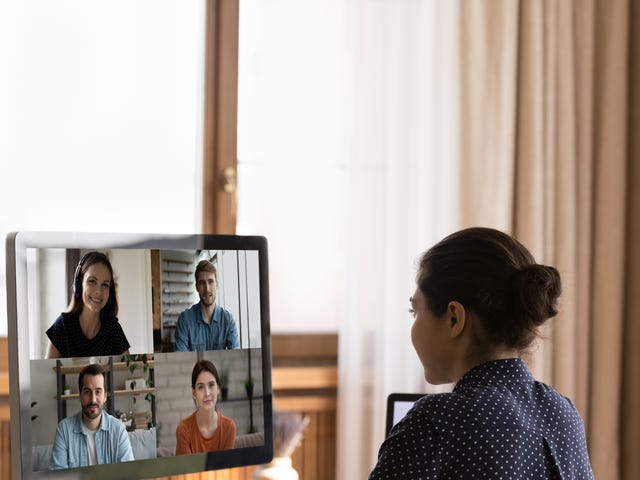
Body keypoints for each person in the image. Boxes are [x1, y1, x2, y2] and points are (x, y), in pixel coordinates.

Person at [369, 227, 594, 479]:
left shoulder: (436, 422)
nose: (412, 325)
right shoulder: (563, 413)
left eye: (415, 312)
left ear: (454, 318)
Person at [45, 251, 130, 358]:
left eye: (105, 285)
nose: (99, 291)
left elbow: (129, 371)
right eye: (92, 281)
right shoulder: (62, 326)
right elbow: (46, 373)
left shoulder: (113, 329)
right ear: (79, 284)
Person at [50, 363, 134, 469]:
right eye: (87, 392)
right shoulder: (64, 430)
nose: (93, 399)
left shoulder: (118, 430)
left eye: (98, 391)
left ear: (105, 396)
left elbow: (128, 473)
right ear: (80, 396)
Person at [174, 260, 240, 351]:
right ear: (197, 287)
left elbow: (235, 358)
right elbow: (180, 360)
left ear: (217, 284)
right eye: (202, 283)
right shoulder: (184, 320)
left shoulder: (228, 320)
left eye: (210, 282)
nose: (207, 289)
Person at [175, 360, 237, 454]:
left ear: (218, 389)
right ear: (194, 393)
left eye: (211, 385)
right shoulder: (183, 429)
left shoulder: (229, 427)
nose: (207, 393)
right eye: (200, 387)